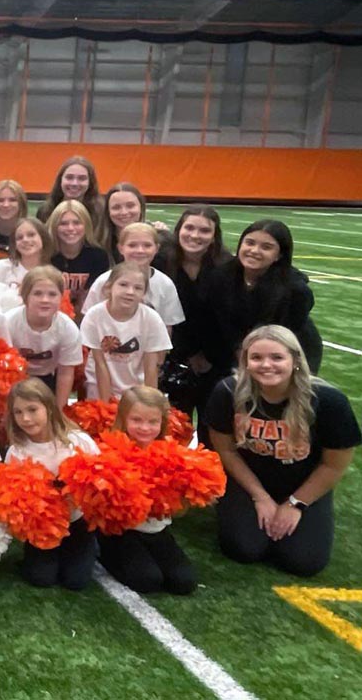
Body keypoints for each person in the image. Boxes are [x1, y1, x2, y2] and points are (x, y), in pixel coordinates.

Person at [207, 326, 357, 577]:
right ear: (245, 362)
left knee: (304, 562)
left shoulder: (328, 400)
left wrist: (295, 504)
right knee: (243, 549)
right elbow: (227, 451)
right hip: (248, 481)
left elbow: (334, 465)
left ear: (295, 360)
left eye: (277, 357)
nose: (266, 365)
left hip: (302, 482)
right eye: (256, 358)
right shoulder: (228, 392)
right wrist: (260, 497)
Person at [96, 387, 197, 595]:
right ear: (123, 418)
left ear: (162, 422)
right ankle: (101, 551)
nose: (145, 428)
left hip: (157, 531)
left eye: (153, 422)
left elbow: (180, 509)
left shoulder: (172, 453)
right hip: (122, 533)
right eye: (137, 420)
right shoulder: (108, 452)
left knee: (184, 583)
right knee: (147, 580)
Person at [3, 379, 98, 591]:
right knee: (41, 578)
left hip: (76, 523)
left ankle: (90, 547)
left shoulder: (78, 441)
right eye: (18, 412)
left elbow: (100, 481)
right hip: (42, 529)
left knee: (76, 582)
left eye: (32, 410)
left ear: (49, 407)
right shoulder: (17, 451)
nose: (26, 418)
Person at [204, 220, 323, 375]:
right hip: (238, 350)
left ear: (279, 255)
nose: (254, 250)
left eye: (266, 247)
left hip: (287, 351)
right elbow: (221, 323)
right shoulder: (221, 276)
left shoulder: (296, 290)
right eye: (249, 243)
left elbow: (285, 334)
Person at [159, 206, 229, 414]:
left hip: (216, 360)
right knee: (175, 423)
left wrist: (207, 357)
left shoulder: (228, 267)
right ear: (178, 230)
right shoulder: (162, 261)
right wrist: (186, 354)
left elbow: (226, 319)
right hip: (174, 356)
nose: (195, 235)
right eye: (189, 228)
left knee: (212, 420)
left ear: (214, 236)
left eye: (204, 230)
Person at [81, 262, 171, 401]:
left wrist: (149, 403)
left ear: (144, 293)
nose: (130, 292)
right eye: (123, 285)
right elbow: (100, 364)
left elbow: (150, 367)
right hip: (99, 386)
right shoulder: (94, 316)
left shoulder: (151, 319)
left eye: (138, 288)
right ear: (109, 287)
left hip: (137, 390)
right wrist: (105, 406)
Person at [81, 223, 184, 332]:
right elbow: (89, 319)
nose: (140, 250)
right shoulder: (104, 281)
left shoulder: (165, 284)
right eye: (132, 245)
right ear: (121, 248)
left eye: (147, 245)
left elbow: (167, 326)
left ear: (156, 248)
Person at [4, 267, 82, 409]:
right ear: (25, 296)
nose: (45, 300)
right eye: (37, 294)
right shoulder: (8, 322)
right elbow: (3, 368)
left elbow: (65, 373)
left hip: (48, 377)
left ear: (61, 297)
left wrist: (59, 411)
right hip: (14, 378)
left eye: (52, 294)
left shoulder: (68, 328)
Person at [48, 199, 110, 316]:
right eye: (63, 223)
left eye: (77, 223)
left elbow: (95, 298)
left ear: (86, 225)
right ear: (54, 226)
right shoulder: (46, 254)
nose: (70, 228)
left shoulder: (98, 256)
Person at [35, 155, 105, 243]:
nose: (74, 183)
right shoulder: (45, 211)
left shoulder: (101, 212)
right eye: (69, 177)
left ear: (90, 182)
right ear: (60, 180)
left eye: (82, 178)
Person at [0, 217, 51, 296]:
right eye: (19, 237)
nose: (25, 240)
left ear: (43, 238)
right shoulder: (1, 267)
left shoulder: (51, 273)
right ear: (14, 244)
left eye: (31, 235)